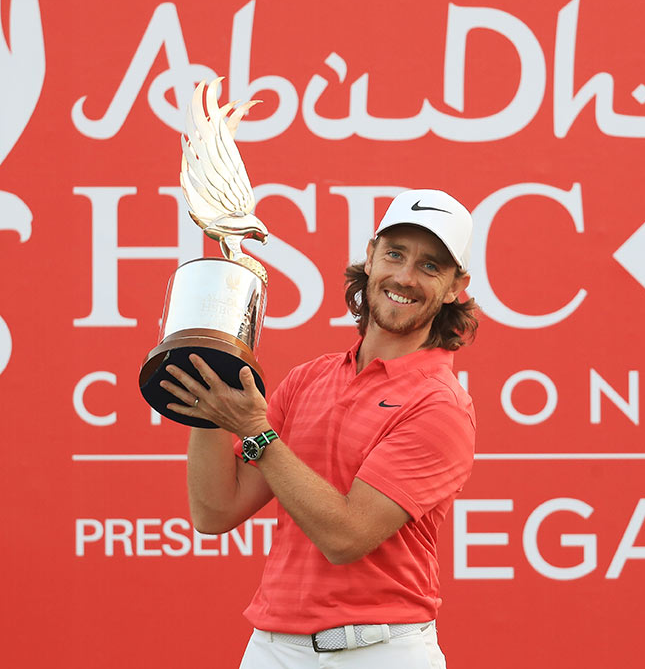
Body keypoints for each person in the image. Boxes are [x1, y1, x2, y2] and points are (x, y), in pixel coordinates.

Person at [161, 188, 479, 668]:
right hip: (272, 648)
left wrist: (254, 430)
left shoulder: (441, 405)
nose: (405, 276)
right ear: (370, 257)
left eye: (430, 266)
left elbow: (346, 538)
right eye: (395, 254)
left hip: (382, 651)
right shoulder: (310, 378)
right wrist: (211, 387)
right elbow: (215, 511)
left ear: (456, 286)